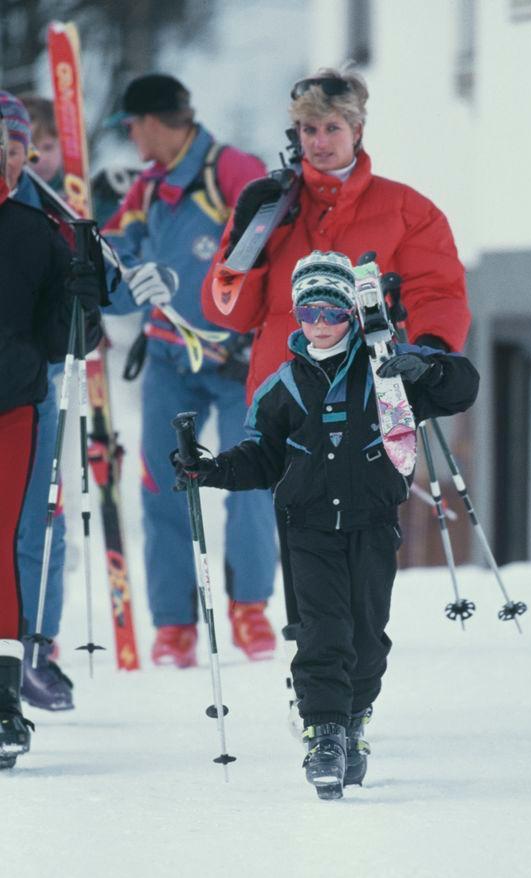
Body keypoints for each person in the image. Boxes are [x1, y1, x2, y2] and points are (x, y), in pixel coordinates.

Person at [174, 250, 479, 798]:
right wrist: (210, 469)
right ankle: (325, 735)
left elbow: (463, 388)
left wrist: (429, 367)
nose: (319, 324)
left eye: (332, 313)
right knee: (322, 630)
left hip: (371, 522)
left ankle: (355, 718)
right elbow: (260, 458)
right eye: (308, 312)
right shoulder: (281, 386)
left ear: (353, 316)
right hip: (307, 526)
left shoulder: (386, 370)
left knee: (366, 634)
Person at [201, 66, 473, 633]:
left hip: (372, 403)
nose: (318, 143)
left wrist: (429, 354)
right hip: (288, 396)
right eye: (306, 131)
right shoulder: (274, 209)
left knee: (364, 548)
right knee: (300, 539)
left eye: (330, 128)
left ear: (357, 128)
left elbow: (438, 290)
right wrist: (245, 234)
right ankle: (315, 673)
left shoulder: (407, 209)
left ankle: (354, 671)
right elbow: (227, 309)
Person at [102, 74, 277, 666]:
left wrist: (253, 324)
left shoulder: (229, 168)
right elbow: (108, 258)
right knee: (162, 482)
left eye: (131, 126)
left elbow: (271, 235)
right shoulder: (147, 188)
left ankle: (249, 609)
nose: (130, 137)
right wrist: (128, 281)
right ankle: (174, 624)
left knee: (250, 479)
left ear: (152, 121)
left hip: (236, 362)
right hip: (169, 358)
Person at [0, 109, 103, 767]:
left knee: (8, 546)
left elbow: (70, 338)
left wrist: (83, 294)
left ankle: (5, 699)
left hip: (12, 405)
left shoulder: (35, 231)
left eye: (6, 150)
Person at [0, 90, 75, 711]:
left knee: (35, 525)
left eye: (19, 148)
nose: (10, 160)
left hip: (33, 391)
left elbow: (96, 301)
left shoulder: (50, 215)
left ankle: (33, 649)